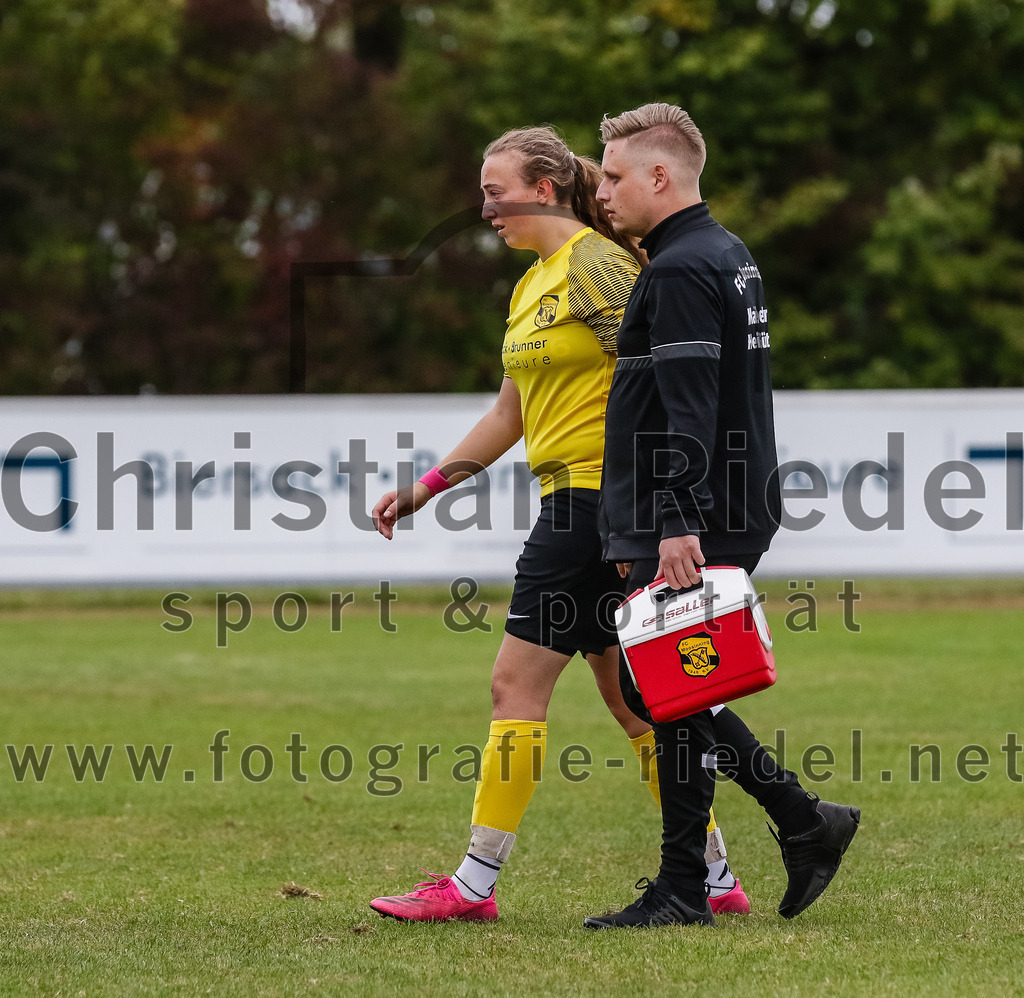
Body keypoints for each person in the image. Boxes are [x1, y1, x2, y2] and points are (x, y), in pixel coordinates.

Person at [366, 126, 749, 923]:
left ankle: (473, 884)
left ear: (542, 189)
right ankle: (715, 877)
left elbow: (652, 382)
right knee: (636, 701)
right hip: (585, 506)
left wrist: (647, 507)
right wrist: (430, 486)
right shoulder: (534, 282)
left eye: (494, 190)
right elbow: (512, 410)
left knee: (517, 684)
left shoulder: (598, 266)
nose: (484, 208)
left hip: (593, 506)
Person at [582, 103, 861, 930]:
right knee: (666, 681)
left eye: (613, 174)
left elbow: (689, 406)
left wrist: (676, 517)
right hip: (722, 500)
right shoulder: (724, 252)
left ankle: (700, 877)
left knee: (662, 681)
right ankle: (794, 826)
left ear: (660, 176)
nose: (601, 190)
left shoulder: (677, 268)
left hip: (694, 509)